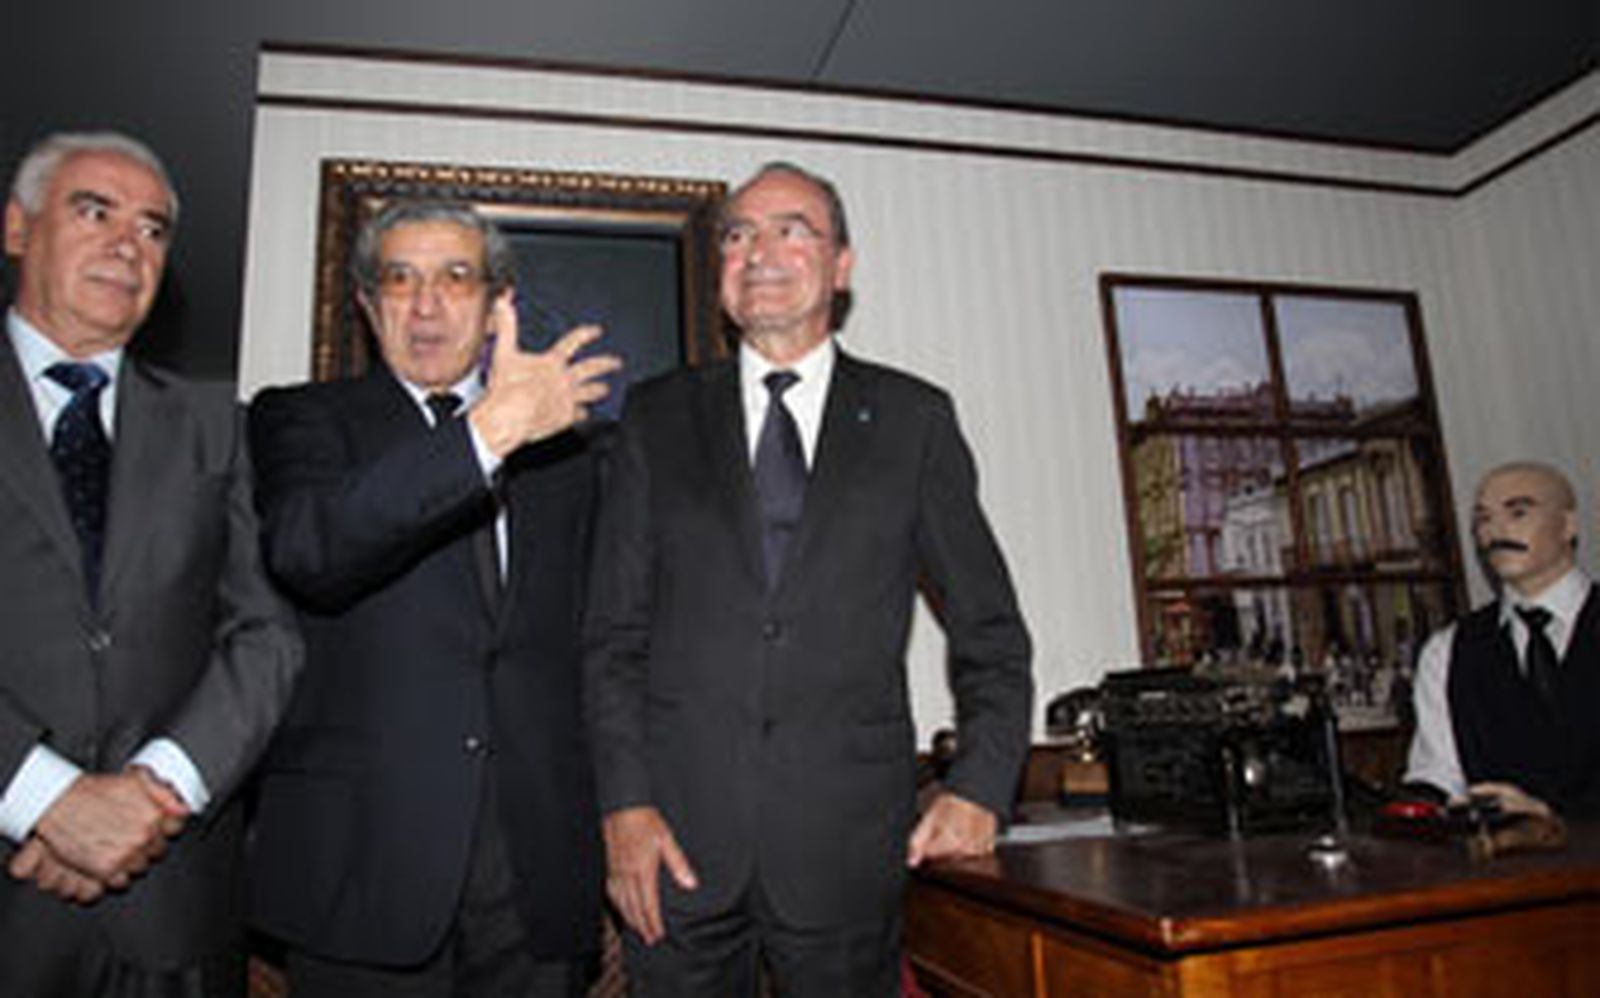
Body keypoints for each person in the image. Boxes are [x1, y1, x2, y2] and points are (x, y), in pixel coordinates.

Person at [586, 161, 1033, 995]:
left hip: (849, 851)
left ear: (841, 265)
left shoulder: (914, 420)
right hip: (673, 849)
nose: (760, 252)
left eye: (792, 230)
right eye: (738, 235)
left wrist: (980, 788)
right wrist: (623, 808)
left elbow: (992, 633)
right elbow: (613, 639)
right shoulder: (654, 416)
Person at [245, 198, 620, 997]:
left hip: (536, 873)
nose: (426, 305)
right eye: (399, 279)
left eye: (455, 278)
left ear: (496, 304)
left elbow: (603, 649)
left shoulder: (572, 455)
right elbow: (311, 550)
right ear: (366, 303)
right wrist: (487, 434)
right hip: (363, 868)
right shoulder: (303, 419)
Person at [0, 131, 303, 996]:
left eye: (153, 229)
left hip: (173, 910)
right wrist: (44, 799)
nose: (128, 245)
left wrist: (150, 795)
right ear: (18, 228)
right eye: (94, 212)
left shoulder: (218, 426)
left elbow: (266, 637)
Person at [1405, 460, 1600, 818]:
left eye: (1518, 512)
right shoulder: (1448, 651)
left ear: (1568, 525)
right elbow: (1438, 775)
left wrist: (1547, 813)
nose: (1496, 532)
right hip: (1501, 856)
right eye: (1483, 520)